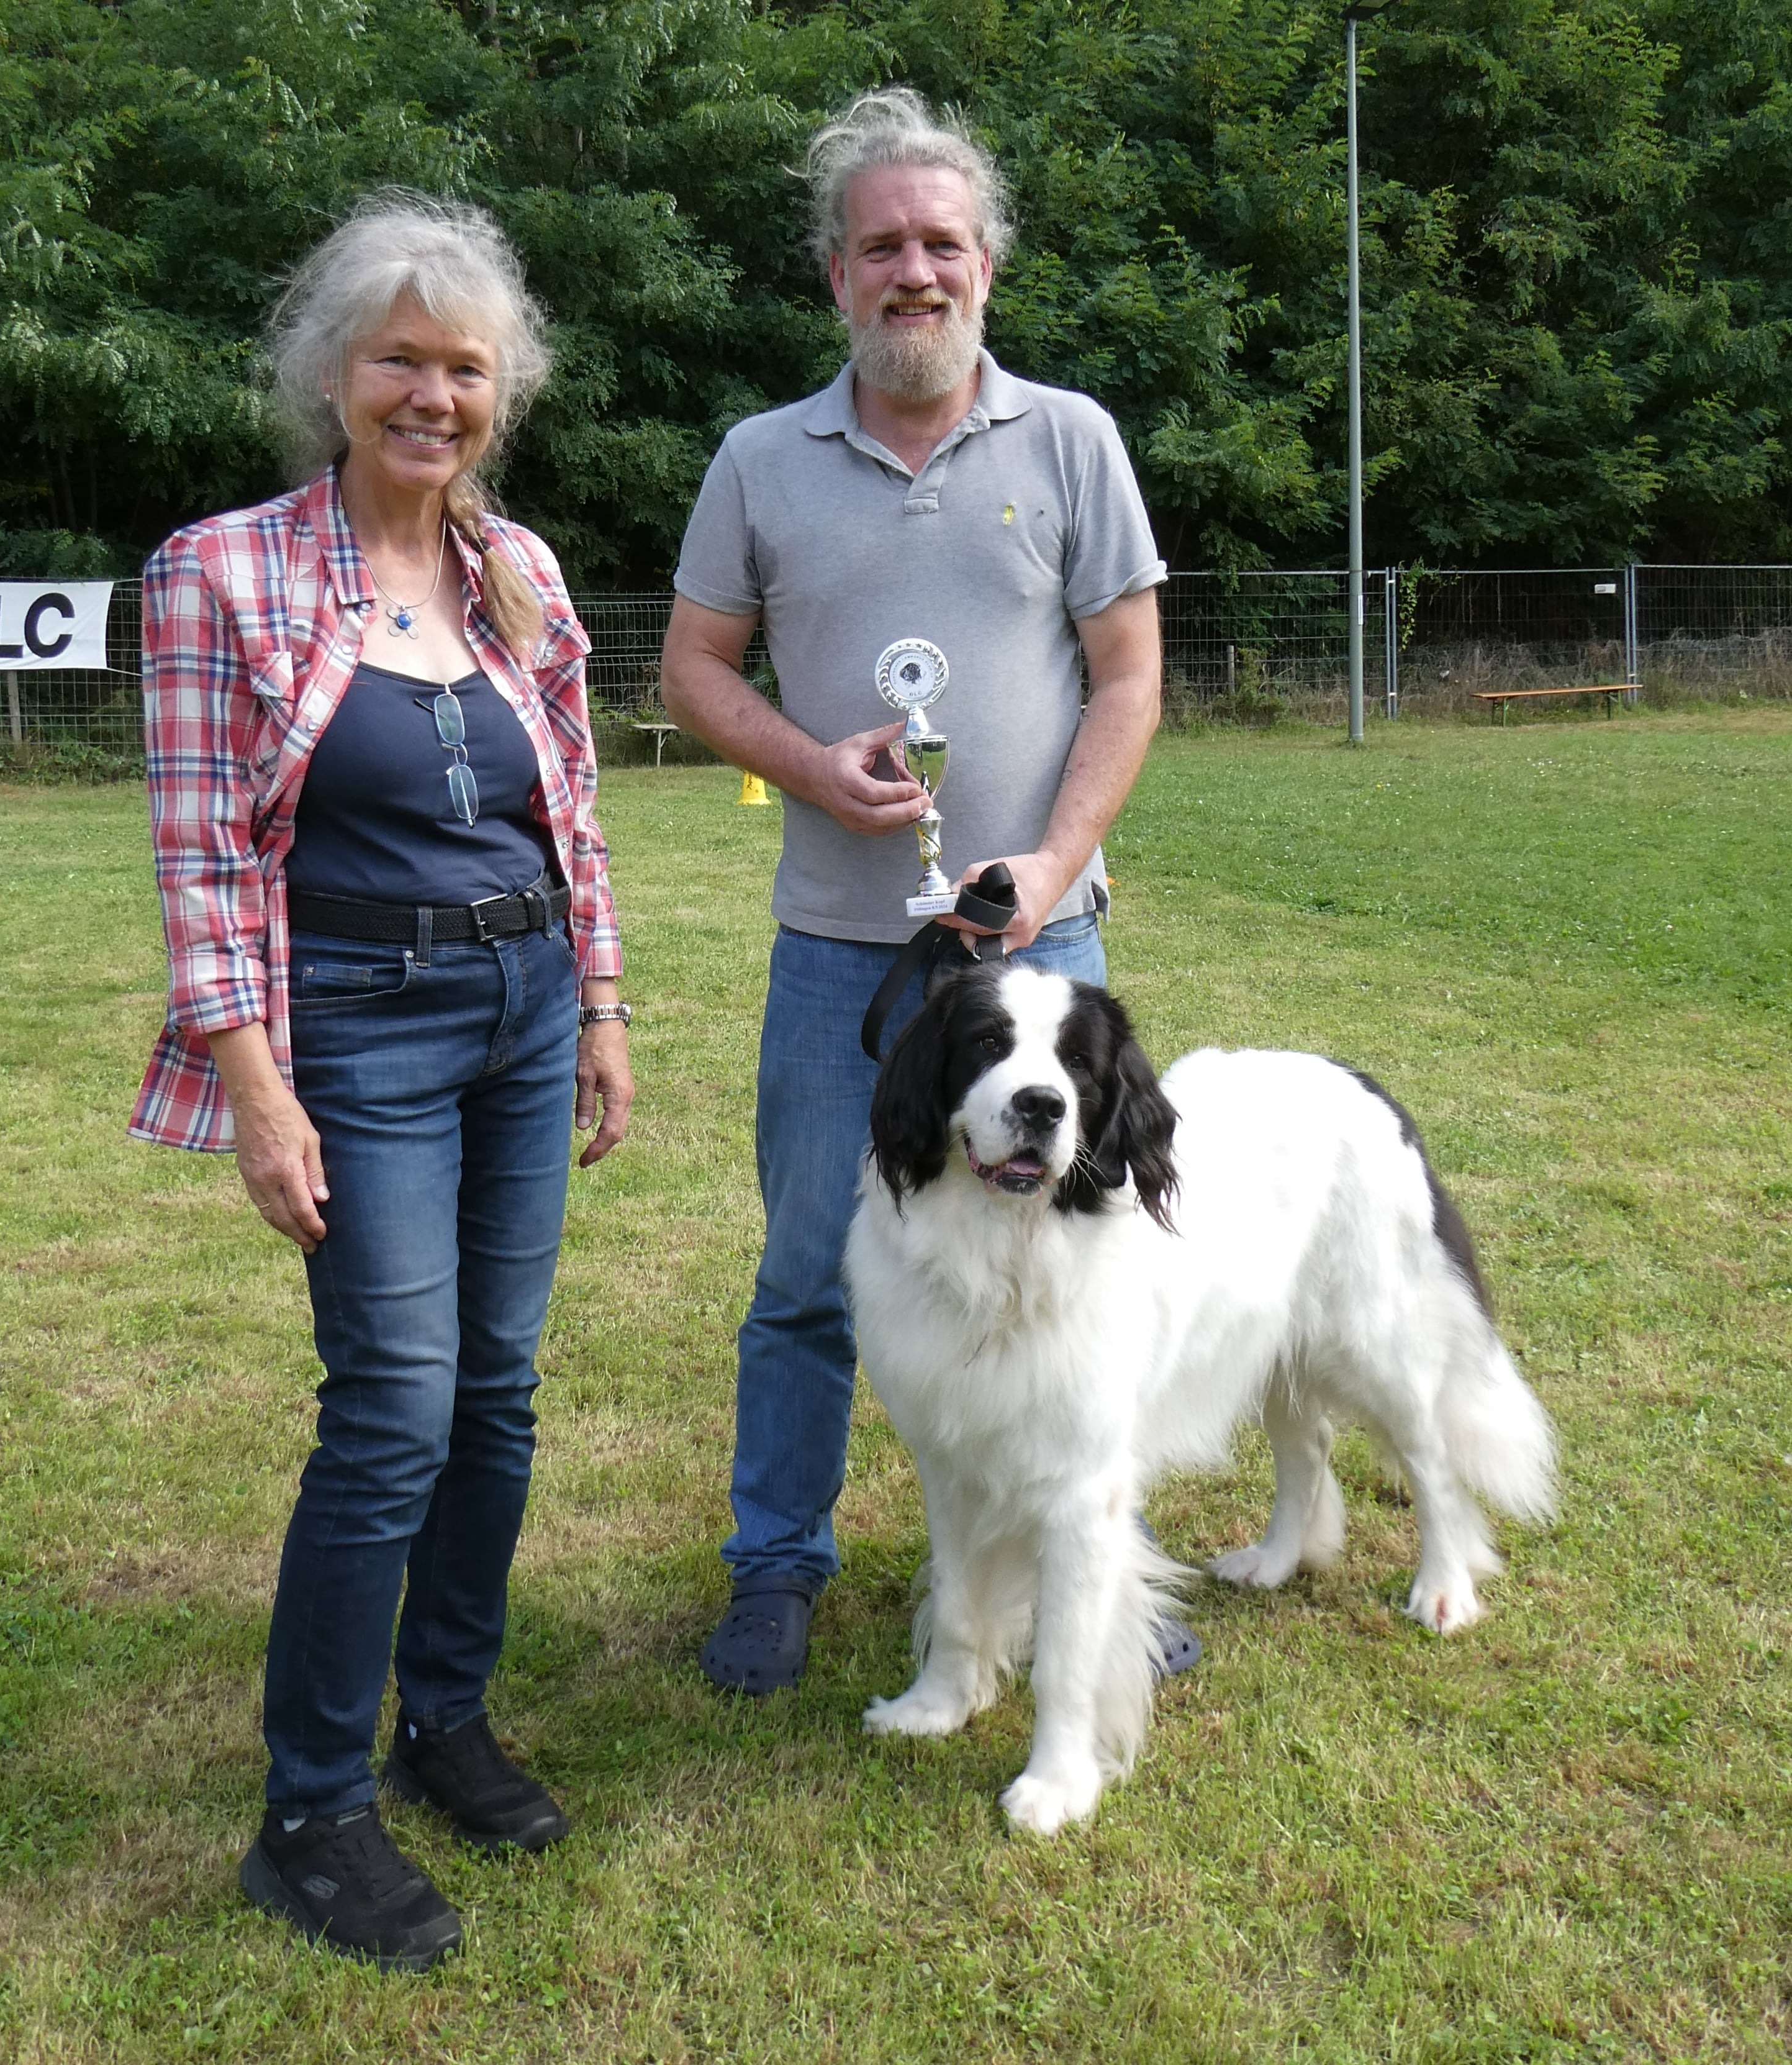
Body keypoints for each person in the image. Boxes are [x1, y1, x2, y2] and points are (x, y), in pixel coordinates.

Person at [130, 192, 633, 1972]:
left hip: (521, 1008)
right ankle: (311, 1812)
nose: (434, 395)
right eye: (400, 359)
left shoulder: (522, 574)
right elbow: (203, 864)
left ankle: (447, 1717)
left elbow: (564, 806)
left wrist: (600, 1006)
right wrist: (259, 1090)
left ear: (504, 393)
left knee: (497, 1393)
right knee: (395, 1410)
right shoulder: (223, 572)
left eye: (466, 368)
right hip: (356, 1025)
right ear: (333, 375)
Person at [661, 89, 1197, 1696]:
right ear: (837, 275)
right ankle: (777, 1569)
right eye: (883, 244)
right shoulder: (761, 459)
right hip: (841, 955)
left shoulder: (1075, 442)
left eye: (942, 243)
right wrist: (813, 765)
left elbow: (1129, 681)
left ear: (988, 267)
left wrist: (1043, 862)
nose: (916, 269)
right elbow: (692, 668)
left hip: (1041, 953)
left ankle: (1088, 1572)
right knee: (808, 1272)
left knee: (1073, 1281)